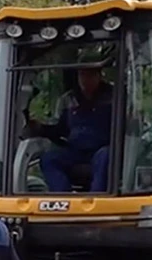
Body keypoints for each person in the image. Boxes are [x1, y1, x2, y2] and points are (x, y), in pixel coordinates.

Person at [26, 54, 114, 193]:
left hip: (101, 149)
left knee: (106, 156)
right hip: (76, 151)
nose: (85, 80)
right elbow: (60, 130)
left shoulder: (114, 97)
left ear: (99, 75)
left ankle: (96, 197)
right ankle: (63, 196)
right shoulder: (69, 99)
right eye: (82, 75)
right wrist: (40, 128)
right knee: (49, 158)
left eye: (90, 75)